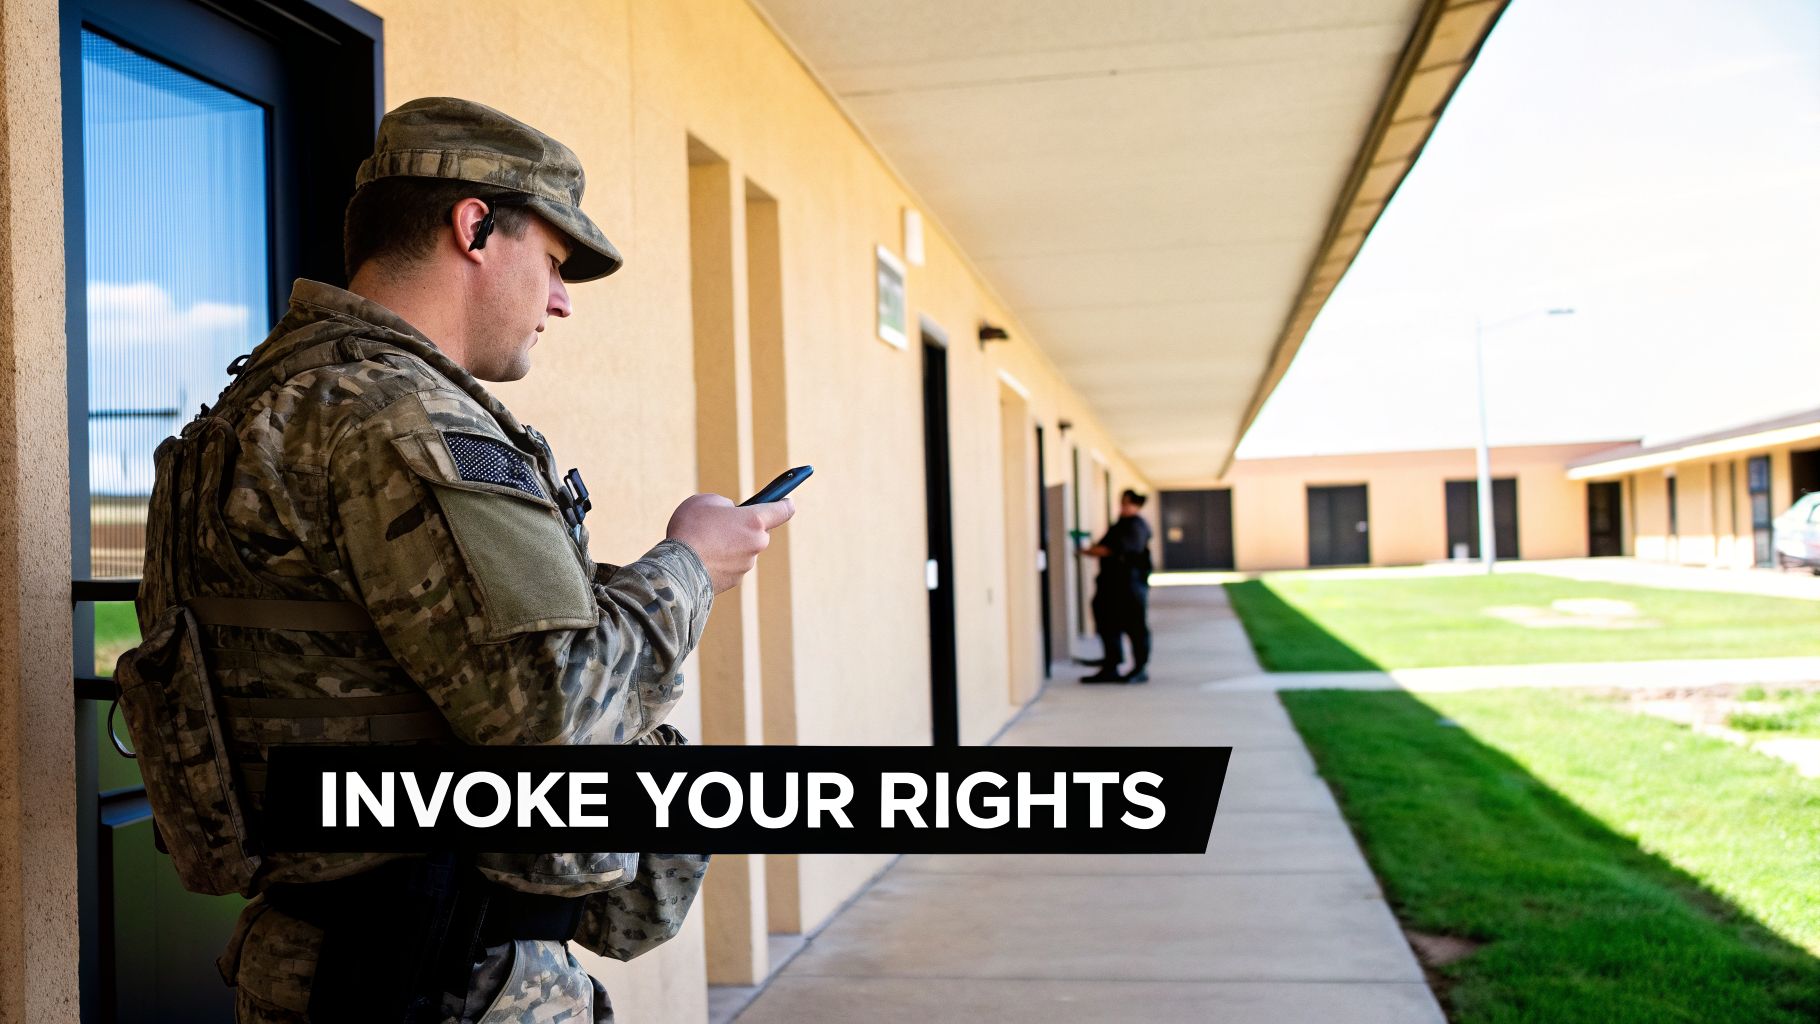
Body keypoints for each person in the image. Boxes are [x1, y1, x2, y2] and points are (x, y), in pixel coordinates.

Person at [124, 97, 793, 1023]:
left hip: (314, 960)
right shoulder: (405, 422)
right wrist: (689, 565)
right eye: (555, 265)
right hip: (448, 976)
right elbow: (555, 719)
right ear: (474, 226)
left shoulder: (251, 414)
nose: (561, 300)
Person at [1081, 489, 1154, 684]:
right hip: (1111, 585)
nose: (1124, 507)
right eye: (1122, 503)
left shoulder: (1136, 526)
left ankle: (1140, 668)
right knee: (1107, 624)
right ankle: (1111, 665)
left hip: (1130, 585)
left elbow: (1115, 549)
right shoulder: (1121, 525)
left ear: (1136, 506)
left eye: (1128, 503)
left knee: (1135, 626)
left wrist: (1091, 550)